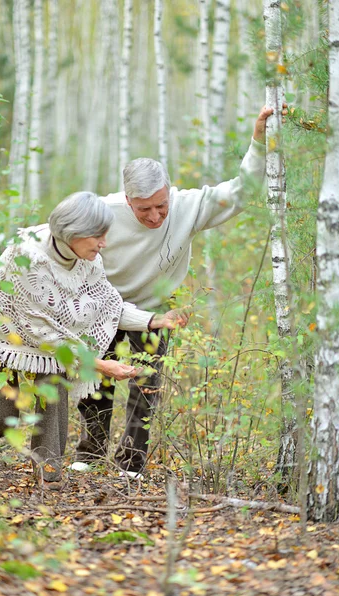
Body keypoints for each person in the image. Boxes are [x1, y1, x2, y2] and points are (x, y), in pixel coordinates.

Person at [76, 106, 282, 479]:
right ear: (127, 200)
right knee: (97, 384)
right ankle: (89, 455)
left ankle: (131, 464)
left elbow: (241, 192)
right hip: (103, 308)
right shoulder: (102, 212)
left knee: (146, 386)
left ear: (169, 192)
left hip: (155, 309)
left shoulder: (188, 206)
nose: (155, 217)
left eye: (161, 206)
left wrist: (259, 141)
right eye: (144, 210)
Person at [0, 192, 188, 489]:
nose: (104, 243)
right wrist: (100, 365)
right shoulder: (28, 258)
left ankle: (48, 475)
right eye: (98, 236)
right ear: (73, 232)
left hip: (48, 339)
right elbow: (43, 334)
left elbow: (108, 306)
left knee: (53, 386)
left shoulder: (89, 261)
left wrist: (154, 320)